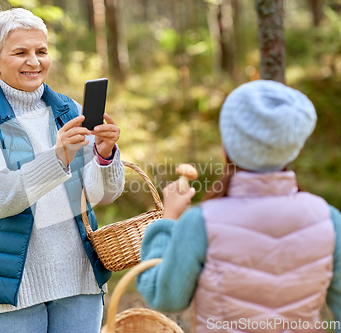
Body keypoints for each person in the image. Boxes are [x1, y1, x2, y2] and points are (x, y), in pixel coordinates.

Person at [0, 8, 125, 333]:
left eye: (41, 51)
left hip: (80, 276)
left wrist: (105, 154)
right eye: (20, 52)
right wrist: (58, 156)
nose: (34, 61)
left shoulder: (70, 110)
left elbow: (102, 194)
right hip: (11, 289)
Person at [136, 80, 341, 332]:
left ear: (226, 148)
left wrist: (167, 219)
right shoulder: (329, 219)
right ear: (292, 148)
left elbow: (163, 297)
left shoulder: (200, 222)